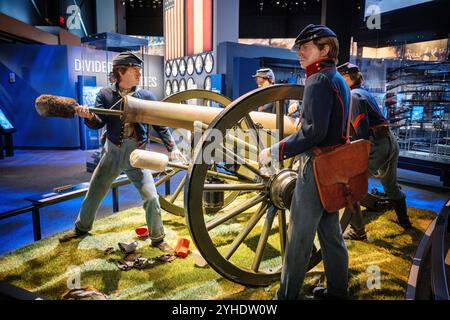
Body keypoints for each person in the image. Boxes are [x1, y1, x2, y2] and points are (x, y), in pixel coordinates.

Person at [59, 51, 185, 252]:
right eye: (134, 70)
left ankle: (158, 238)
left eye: (139, 70)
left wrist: (173, 148)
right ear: (121, 72)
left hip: (137, 156)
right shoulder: (105, 95)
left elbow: (160, 125)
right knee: (94, 192)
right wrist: (88, 116)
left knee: (151, 197)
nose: (139, 74)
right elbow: (98, 122)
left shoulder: (145, 96)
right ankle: (81, 228)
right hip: (112, 154)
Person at [259, 24, 351, 300]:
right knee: (331, 234)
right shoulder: (336, 79)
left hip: (317, 167)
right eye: (300, 48)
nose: (300, 53)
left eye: (306, 47)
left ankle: (285, 297)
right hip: (335, 165)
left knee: (298, 238)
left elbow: (313, 133)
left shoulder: (318, 80)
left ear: (325, 49)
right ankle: (337, 291)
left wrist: (275, 151)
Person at [337, 62, 412, 241]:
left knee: (349, 185)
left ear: (347, 78)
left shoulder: (353, 96)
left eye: (340, 78)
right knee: (390, 186)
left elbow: (361, 133)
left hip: (376, 145)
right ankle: (405, 221)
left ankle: (358, 231)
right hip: (389, 141)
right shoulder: (363, 93)